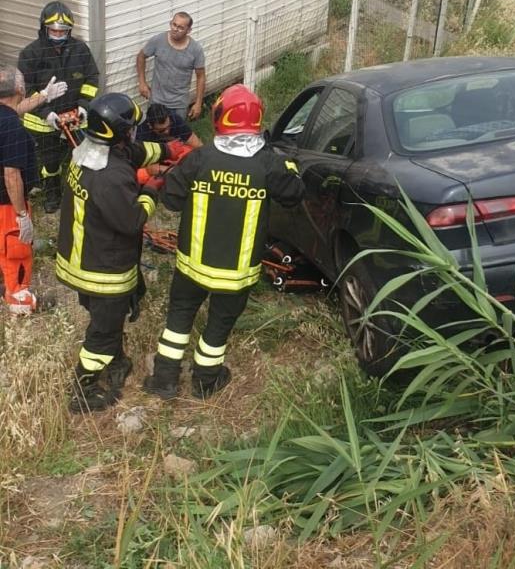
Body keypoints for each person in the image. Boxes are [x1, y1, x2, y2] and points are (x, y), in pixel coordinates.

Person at [143, 84, 305, 401]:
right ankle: (205, 381)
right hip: (237, 273)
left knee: (179, 318)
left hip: (192, 266)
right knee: (218, 325)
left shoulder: (199, 159)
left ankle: (164, 379)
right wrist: (287, 166)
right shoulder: (269, 164)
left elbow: (172, 201)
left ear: (220, 118)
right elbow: (294, 194)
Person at [56, 92, 187, 413]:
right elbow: (132, 221)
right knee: (102, 330)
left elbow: (133, 151)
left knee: (108, 321)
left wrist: (170, 148)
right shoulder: (112, 177)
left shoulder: (86, 152)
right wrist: (151, 190)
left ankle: (116, 361)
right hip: (102, 270)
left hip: (80, 255)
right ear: (120, 132)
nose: (133, 133)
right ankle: (84, 387)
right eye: (130, 128)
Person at [18, 1, 100, 214]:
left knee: (84, 154)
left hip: (75, 116)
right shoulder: (30, 54)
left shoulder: (80, 49)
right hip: (42, 121)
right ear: (44, 28)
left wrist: (83, 106)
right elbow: (26, 90)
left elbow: (91, 78)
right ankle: (52, 192)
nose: (58, 34)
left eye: (63, 31)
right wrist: (46, 113)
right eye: (54, 30)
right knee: (50, 160)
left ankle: (85, 190)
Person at [0, 65, 67, 314]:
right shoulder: (12, 127)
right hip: (7, 203)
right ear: (19, 89)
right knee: (16, 249)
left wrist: (43, 96)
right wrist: (21, 215)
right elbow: (12, 174)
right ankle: (19, 299)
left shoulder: (4, 115)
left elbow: (13, 109)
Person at [136, 12, 206, 122]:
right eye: (174, 25)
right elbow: (141, 57)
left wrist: (198, 103)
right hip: (156, 101)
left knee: (177, 136)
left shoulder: (196, 50)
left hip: (179, 104)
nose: (175, 29)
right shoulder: (158, 40)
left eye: (180, 27)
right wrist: (142, 82)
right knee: (154, 134)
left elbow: (201, 76)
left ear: (188, 31)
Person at [136, 103, 202, 149]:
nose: (167, 131)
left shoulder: (174, 119)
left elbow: (195, 142)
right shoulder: (142, 134)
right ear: (150, 125)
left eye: (169, 126)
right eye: (162, 130)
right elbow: (152, 168)